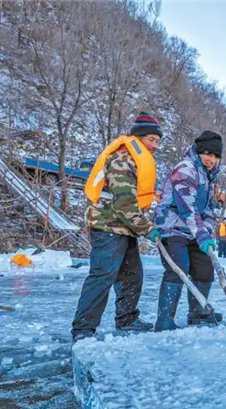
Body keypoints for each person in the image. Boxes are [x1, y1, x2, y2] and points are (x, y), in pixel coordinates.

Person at [71, 112, 162, 341]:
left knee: (132, 276)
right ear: (138, 137)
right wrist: (147, 228)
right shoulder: (121, 161)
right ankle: (83, 329)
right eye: (152, 140)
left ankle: (127, 319)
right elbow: (124, 204)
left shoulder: (134, 160)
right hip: (108, 227)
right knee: (102, 276)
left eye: (157, 141)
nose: (155, 146)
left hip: (124, 228)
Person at [153, 130, 224, 331]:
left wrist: (206, 232)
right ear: (199, 152)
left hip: (194, 230)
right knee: (178, 268)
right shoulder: (185, 169)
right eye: (208, 154)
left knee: (205, 267)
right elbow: (187, 208)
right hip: (172, 227)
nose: (212, 160)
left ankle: (198, 312)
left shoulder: (209, 176)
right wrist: (201, 234)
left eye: (216, 156)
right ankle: (164, 320)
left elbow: (208, 209)